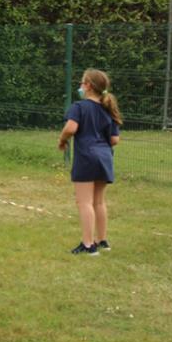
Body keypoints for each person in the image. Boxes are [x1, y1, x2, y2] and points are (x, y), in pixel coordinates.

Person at [57, 68, 122, 256]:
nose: (80, 86)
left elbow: (70, 128)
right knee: (99, 202)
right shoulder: (108, 109)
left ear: (88, 86)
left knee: (84, 202)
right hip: (105, 157)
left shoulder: (79, 107)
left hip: (86, 157)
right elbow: (114, 140)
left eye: (82, 83)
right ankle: (102, 240)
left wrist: (62, 140)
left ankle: (88, 245)